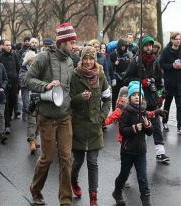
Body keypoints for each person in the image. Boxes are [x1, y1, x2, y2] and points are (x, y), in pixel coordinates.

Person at [26, 22, 77, 206]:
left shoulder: (71, 61)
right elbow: (28, 79)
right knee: (47, 158)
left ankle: (65, 200)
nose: (73, 45)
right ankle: (36, 189)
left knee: (66, 158)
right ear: (62, 42)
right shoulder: (43, 58)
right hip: (46, 117)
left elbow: (70, 88)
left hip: (65, 116)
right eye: (71, 42)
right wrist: (45, 86)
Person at [70, 46, 111, 206]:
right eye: (85, 58)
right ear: (81, 59)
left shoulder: (100, 75)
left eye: (91, 58)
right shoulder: (75, 75)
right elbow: (69, 99)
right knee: (78, 161)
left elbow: (107, 99)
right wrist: (80, 97)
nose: (88, 62)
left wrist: (102, 116)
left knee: (93, 162)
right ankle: (73, 181)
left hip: (95, 126)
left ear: (95, 59)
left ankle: (93, 197)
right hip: (78, 126)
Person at [124, 36, 170, 163]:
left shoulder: (155, 61)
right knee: (139, 128)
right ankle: (133, 153)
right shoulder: (135, 61)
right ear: (141, 47)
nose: (149, 48)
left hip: (153, 100)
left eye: (151, 45)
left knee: (156, 126)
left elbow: (160, 80)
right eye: (146, 45)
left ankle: (160, 152)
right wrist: (141, 82)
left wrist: (161, 94)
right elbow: (126, 79)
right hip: (138, 100)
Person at [112, 81, 153, 206]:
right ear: (129, 97)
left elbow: (150, 133)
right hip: (127, 150)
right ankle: (117, 192)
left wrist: (147, 125)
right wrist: (134, 128)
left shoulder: (144, 112)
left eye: (138, 94)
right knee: (124, 175)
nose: (136, 96)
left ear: (142, 97)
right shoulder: (126, 112)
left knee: (142, 177)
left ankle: (146, 201)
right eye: (134, 94)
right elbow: (123, 130)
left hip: (141, 151)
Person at [159, 32, 181, 135]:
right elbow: (161, 64)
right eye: (176, 39)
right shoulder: (166, 51)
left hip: (180, 83)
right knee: (167, 104)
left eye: (179, 39)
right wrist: (172, 65)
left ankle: (180, 127)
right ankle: (164, 122)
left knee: (179, 106)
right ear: (172, 40)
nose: (178, 41)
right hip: (170, 83)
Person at [19, 50, 40, 153]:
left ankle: (35, 139)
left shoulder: (39, 70)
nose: (34, 61)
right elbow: (24, 83)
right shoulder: (23, 71)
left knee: (38, 121)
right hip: (29, 99)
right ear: (28, 61)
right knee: (32, 121)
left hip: (39, 98)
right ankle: (31, 141)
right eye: (32, 60)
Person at [0, 39, 20, 134]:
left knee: (12, 102)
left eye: (9, 45)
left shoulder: (15, 55)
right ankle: (7, 124)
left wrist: (17, 80)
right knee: (6, 104)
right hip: (5, 83)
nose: (8, 47)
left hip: (14, 82)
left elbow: (18, 67)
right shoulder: (0, 57)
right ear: (3, 46)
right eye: (6, 45)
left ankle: (9, 118)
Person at [110, 39, 132, 110]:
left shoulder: (127, 54)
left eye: (124, 46)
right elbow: (109, 67)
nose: (123, 48)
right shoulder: (113, 54)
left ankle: (124, 111)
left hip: (125, 78)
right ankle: (114, 110)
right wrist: (114, 64)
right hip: (116, 77)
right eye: (122, 46)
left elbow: (130, 66)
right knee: (115, 96)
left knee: (125, 96)